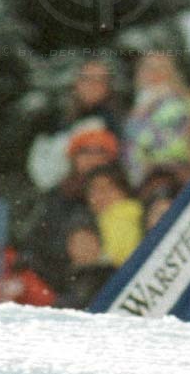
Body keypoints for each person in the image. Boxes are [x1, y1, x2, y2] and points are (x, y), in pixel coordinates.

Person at [21, 119, 119, 293]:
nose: (92, 159)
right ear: (73, 158)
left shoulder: (124, 192)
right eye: (85, 152)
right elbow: (37, 245)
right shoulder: (58, 196)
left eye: (100, 152)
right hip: (62, 283)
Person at [25, 57, 124, 192]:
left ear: (108, 87)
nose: (92, 85)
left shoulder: (112, 122)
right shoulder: (56, 119)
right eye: (87, 78)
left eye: (100, 80)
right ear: (77, 83)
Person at [122, 51, 190, 189]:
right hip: (141, 178)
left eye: (160, 68)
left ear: (171, 73)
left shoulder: (180, 101)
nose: (154, 73)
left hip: (172, 172)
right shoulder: (139, 103)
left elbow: (178, 139)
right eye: (148, 67)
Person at [84, 163, 143, 266]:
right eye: (93, 191)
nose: (100, 196)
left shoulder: (126, 214)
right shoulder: (98, 221)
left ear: (123, 191)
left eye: (106, 189)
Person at [58, 222, 116, 309]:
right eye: (79, 243)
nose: (85, 247)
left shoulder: (115, 271)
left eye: (88, 240)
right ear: (70, 249)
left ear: (97, 242)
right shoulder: (67, 286)